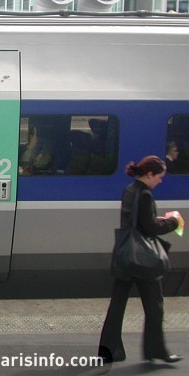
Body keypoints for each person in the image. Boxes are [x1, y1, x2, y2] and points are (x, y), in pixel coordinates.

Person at [98, 155, 183, 364]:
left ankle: (108, 351)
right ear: (150, 174)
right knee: (155, 306)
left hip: (125, 255)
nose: (160, 181)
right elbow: (151, 228)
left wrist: (154, 220)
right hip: (143, 260)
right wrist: (173, 222)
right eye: (159, 177)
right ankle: (156, 350)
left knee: (117, 306)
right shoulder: (145, 195)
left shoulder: (130, 190)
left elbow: (137, 221)